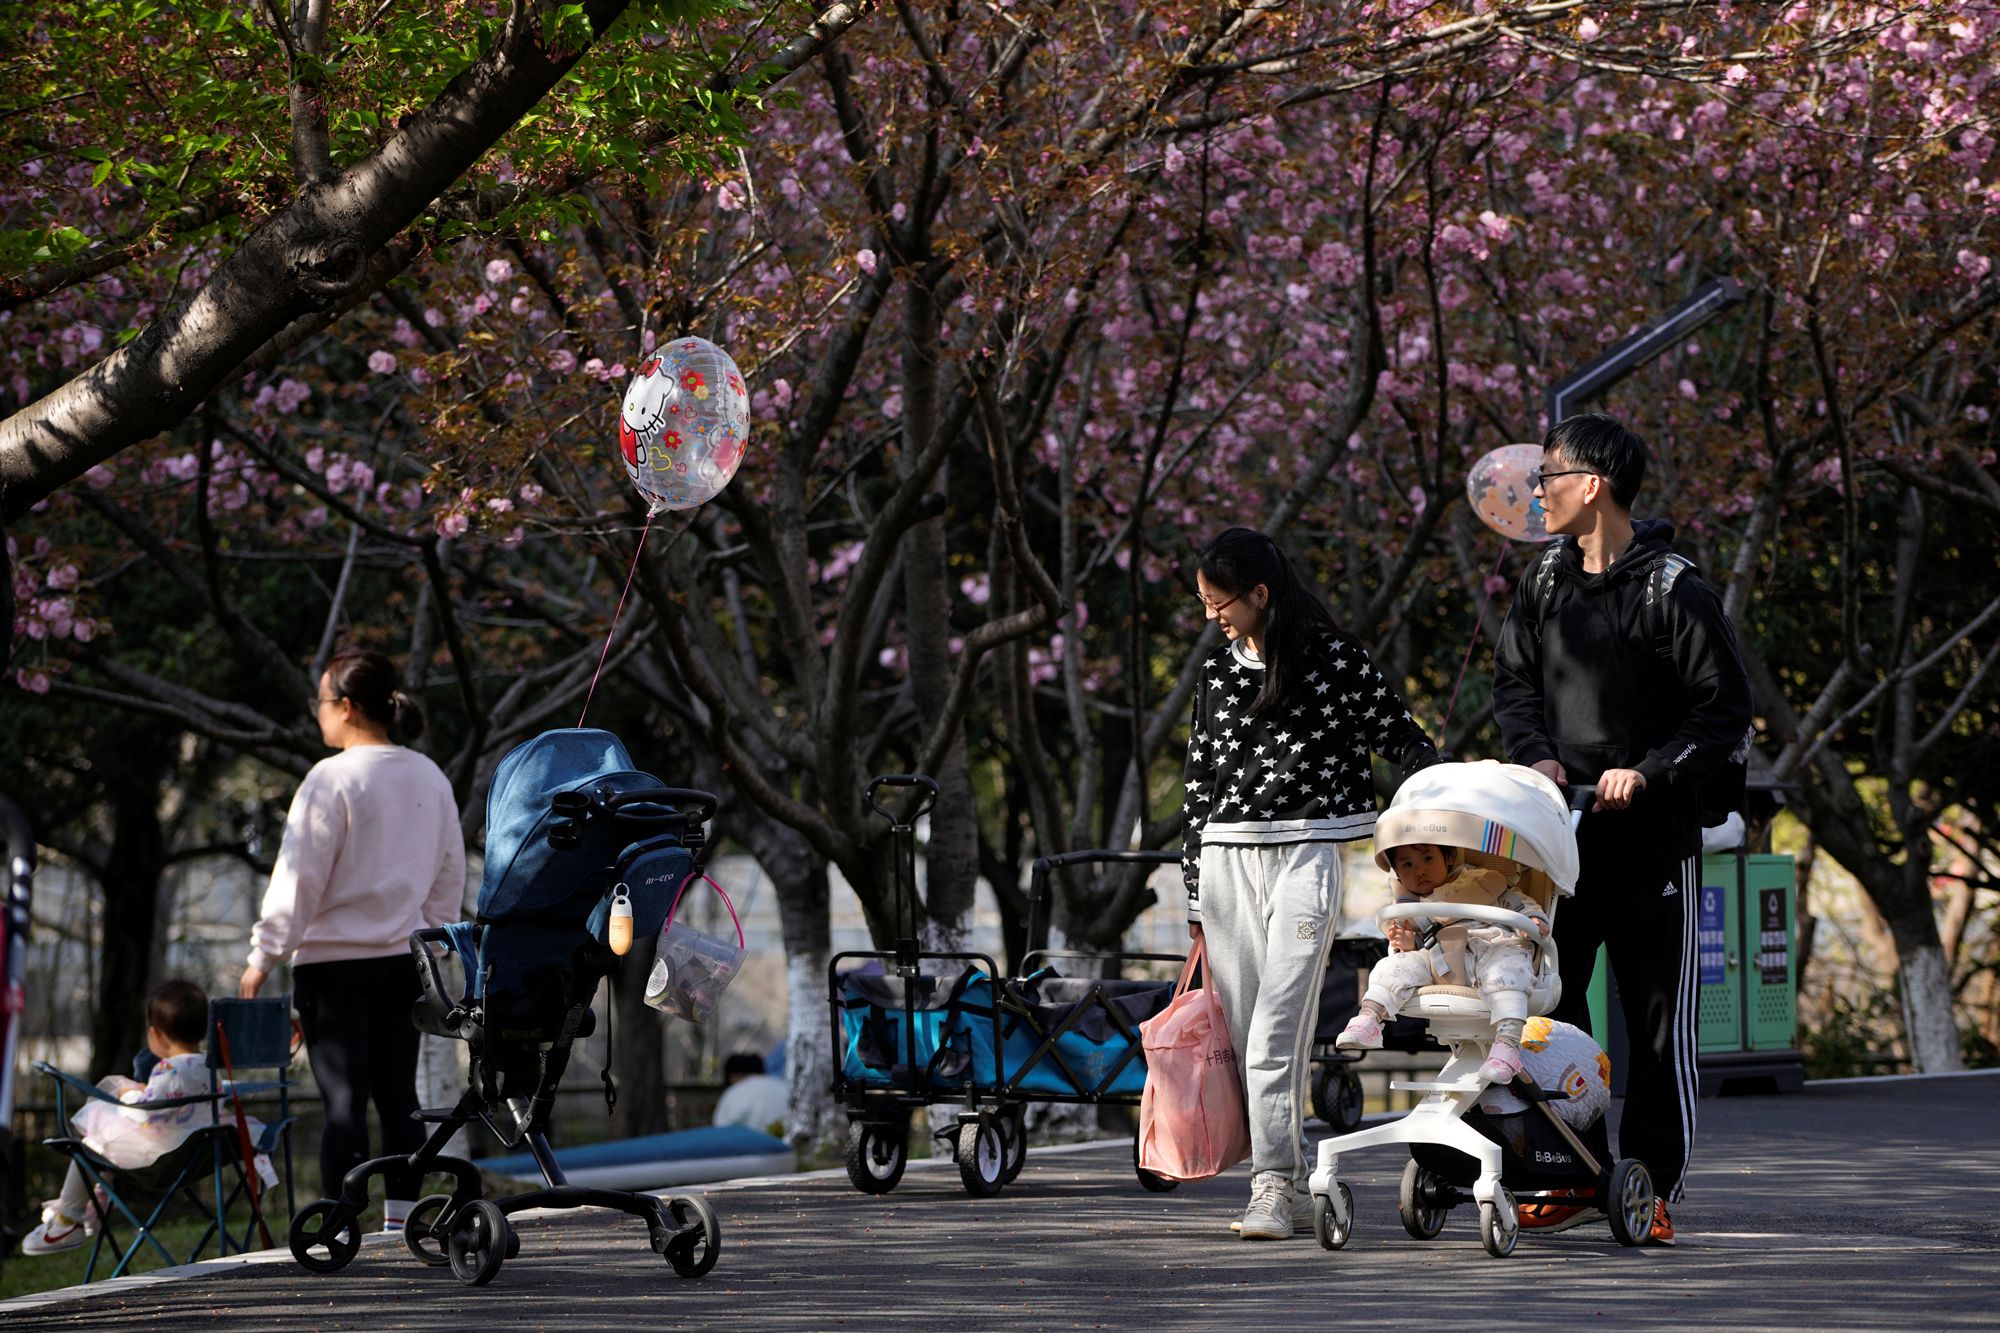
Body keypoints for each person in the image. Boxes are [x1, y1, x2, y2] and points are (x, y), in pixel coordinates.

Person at [1491, 413, 1753, 1247]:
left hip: (1653, 844)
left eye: (1550, 477)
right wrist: (1535, 757)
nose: (1539, 492)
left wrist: (1650, 768)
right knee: (1549, 1014)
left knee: (1653, 1024)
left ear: (1592, 484)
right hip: (1559, 841)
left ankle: (1650, 1181)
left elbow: (1724, 712)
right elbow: (1514, 686)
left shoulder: (1674, 588)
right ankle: (1571, 1170)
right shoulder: (1541, 582)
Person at [1181, 526, 1440, 1240]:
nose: (1213, 616)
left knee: (1274, 1032)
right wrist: (1195, 895)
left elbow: (1399, 734)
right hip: (1226, 860)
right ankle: (1289, 1184)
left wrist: (1448, 785)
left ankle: (1268, 1185)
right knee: (1247, 1036)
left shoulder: (1336, 659)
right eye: (1203, 602)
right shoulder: (1216, 674)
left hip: (1306, 857)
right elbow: (1197, 787)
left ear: (1261, 594)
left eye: (1220, 601)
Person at [240, 647, 465, 1233]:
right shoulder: (430, 775)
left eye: (320, 702)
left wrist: (264, 955)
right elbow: (450, 868)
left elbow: (298, 878)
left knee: (344, 1102)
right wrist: (437, 940)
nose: (317, 713)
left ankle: (340, 1221)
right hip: (403, 961)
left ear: (343, 706)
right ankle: (402, 1221)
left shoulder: (329, 779)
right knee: (399, 1097)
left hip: (333, 967)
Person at [21, 980, 275, 1255]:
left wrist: (127, 1094)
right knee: (108, 1142)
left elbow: (146, 1114)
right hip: (195, 1150)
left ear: (157, 1035)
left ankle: (67, 1220)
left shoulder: (167, 1069)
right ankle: (93, 1204)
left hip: (161, 1155)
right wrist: (147, 1092)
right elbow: (186, 1100)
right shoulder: (209, 1065)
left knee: (93, 1142)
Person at [1333, 842, 1548, 1081]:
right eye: (1407, 865)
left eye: (1428, 859)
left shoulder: (1479, 881)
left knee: (1509, 967)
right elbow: (1414, 943)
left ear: (1448, 857)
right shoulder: (1412, 906)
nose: (1420, 870)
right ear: (1397, 874)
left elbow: (1518, 902)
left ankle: (1507, 1045)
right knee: (1394, 965)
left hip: (1490, 947)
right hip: (1438, 959)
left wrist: (1533, 919)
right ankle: (1369, 1018)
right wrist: (1406, 942)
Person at [711, 1052, 789, 1135]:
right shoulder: (784, 1086)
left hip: (748, 1146)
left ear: (733, 1076)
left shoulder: (735, 1092)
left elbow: (721, 1131)